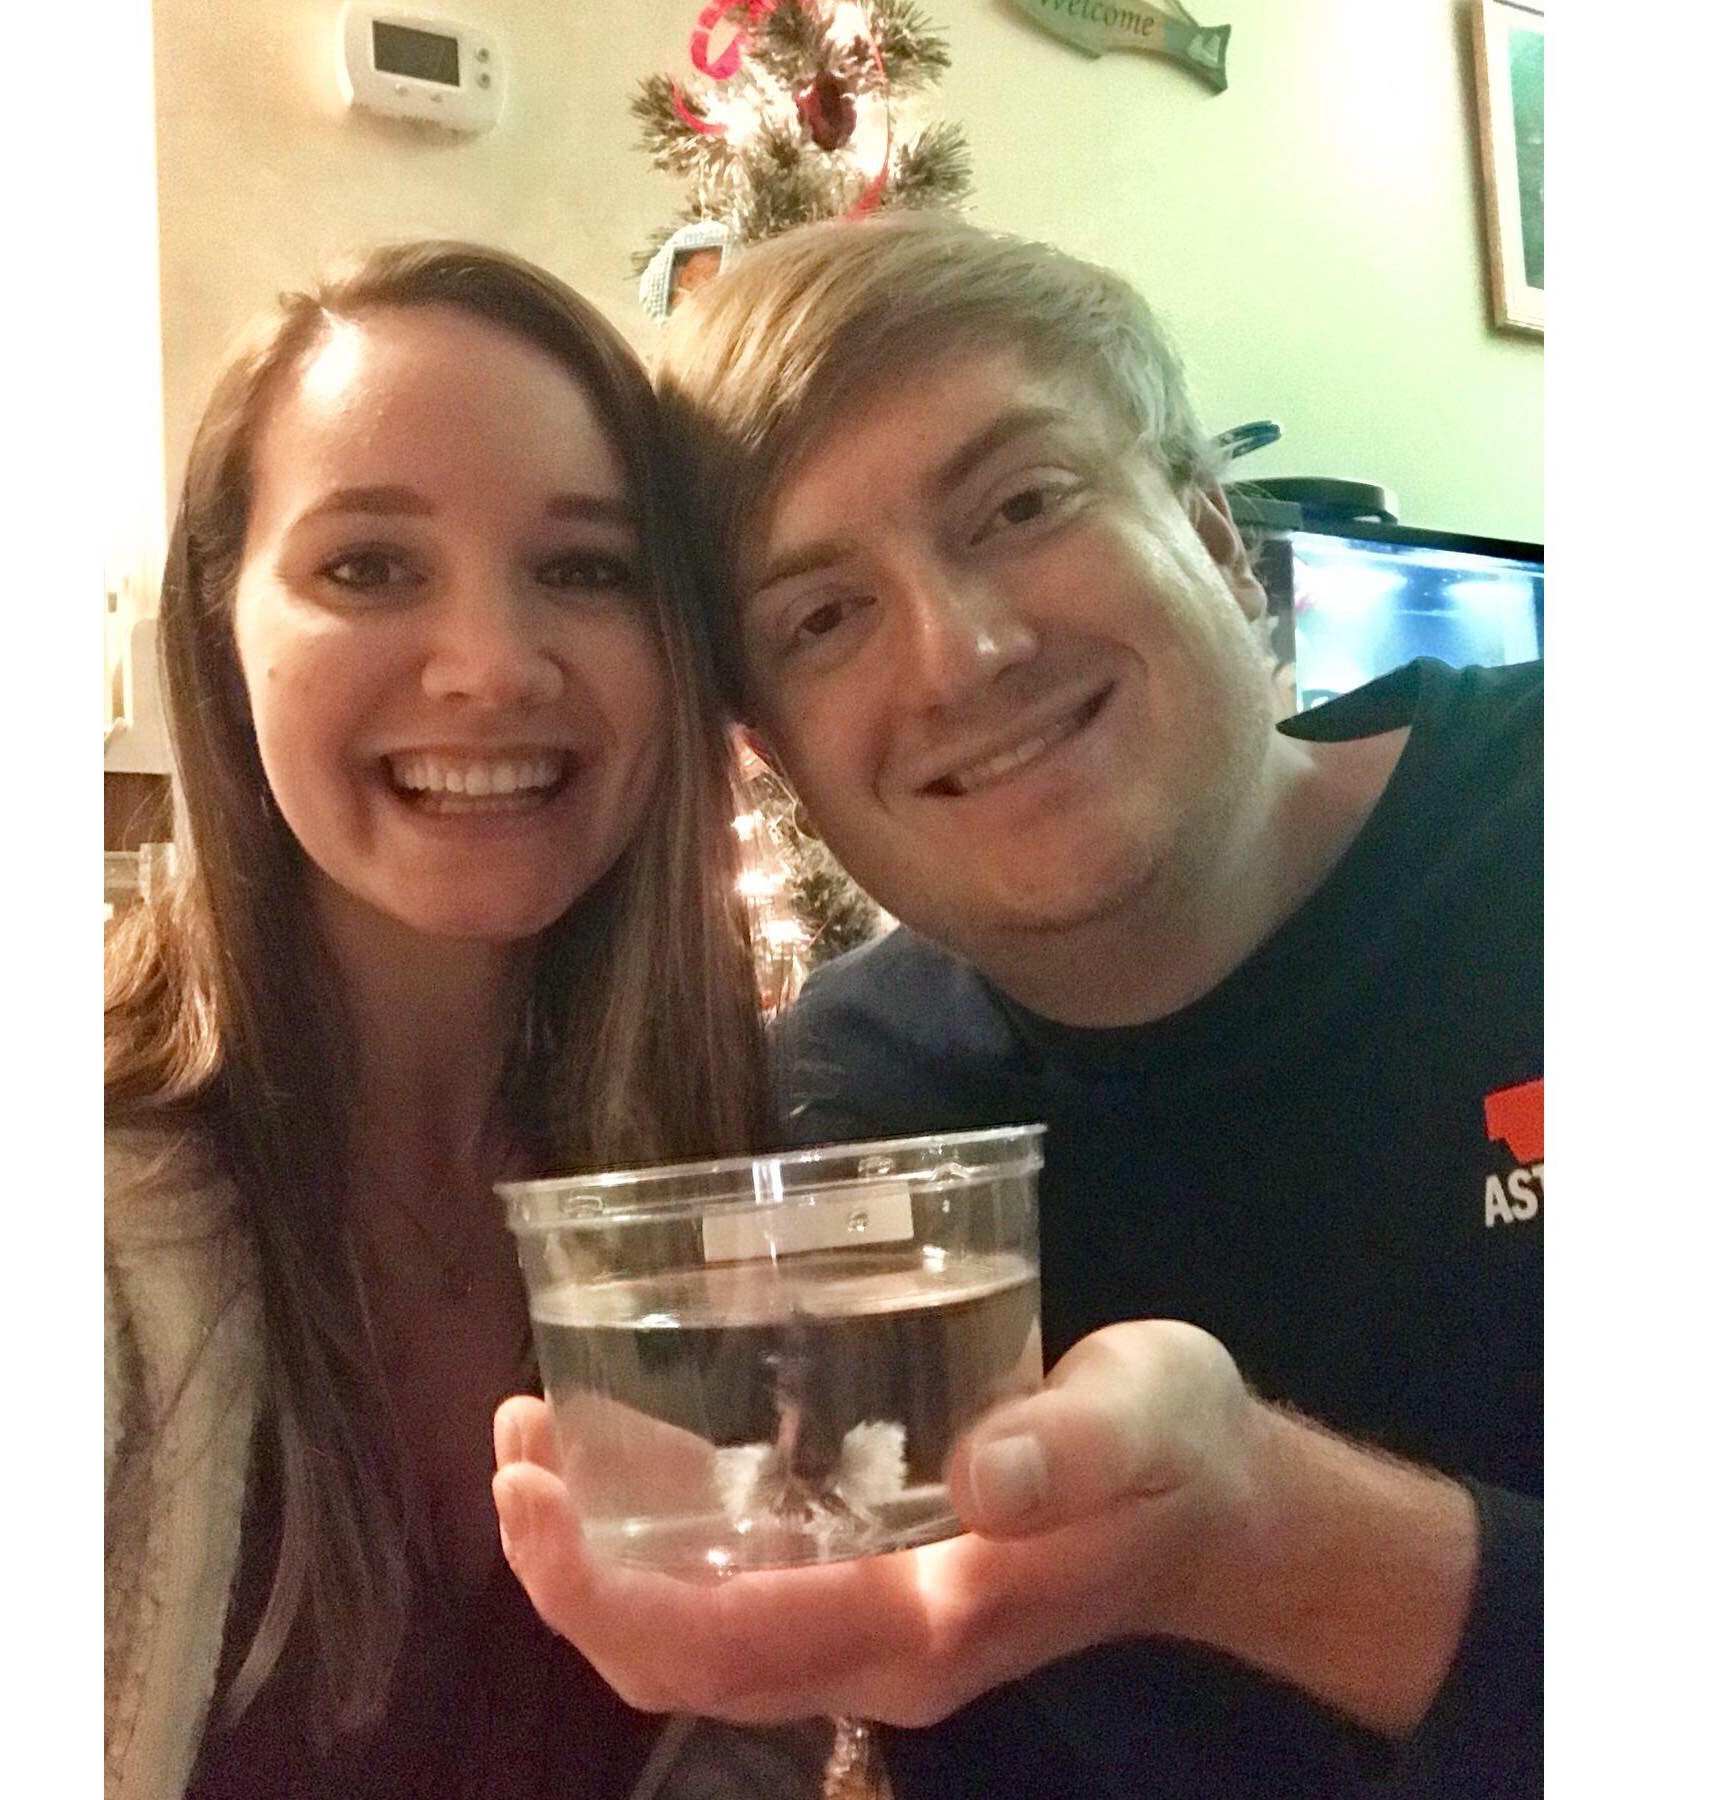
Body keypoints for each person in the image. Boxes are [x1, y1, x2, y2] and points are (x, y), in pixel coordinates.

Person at [492, 214, 1542, 1798]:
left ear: (1213, 536)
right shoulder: (854, 1105)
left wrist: (1280, 1543)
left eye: (1022, 503)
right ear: (773, 759)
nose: (964, 652)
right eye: (821, 615)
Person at [104, 242, 840, 1800]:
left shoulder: (721, 1160)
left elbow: (748, 1723)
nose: (496, 666)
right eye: (368, 565)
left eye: (585, 568)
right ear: (223, 634)